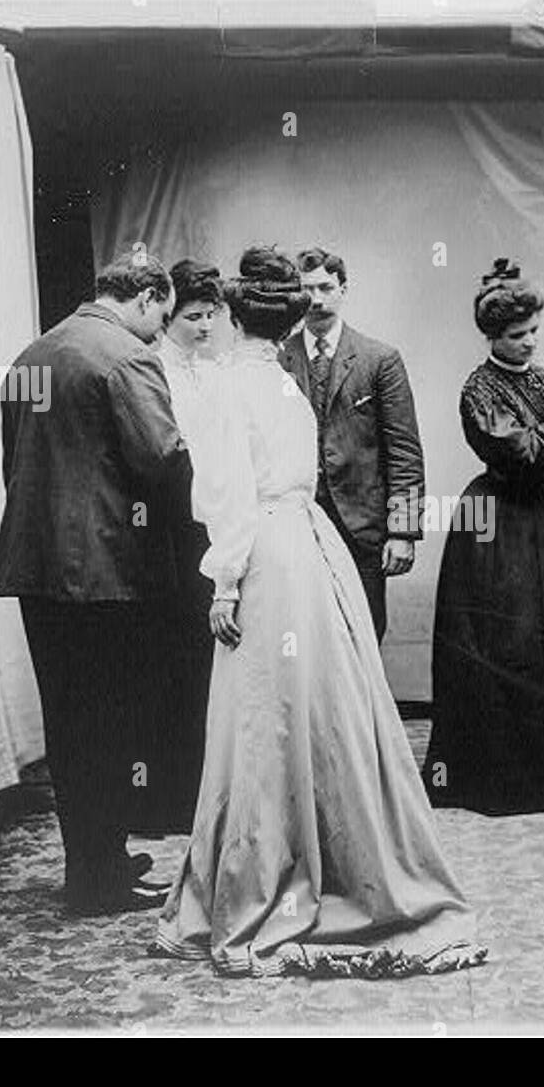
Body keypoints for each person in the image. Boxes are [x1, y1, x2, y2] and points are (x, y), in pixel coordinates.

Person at [154, 247, 486, 977]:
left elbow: (231, 499)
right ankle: (340, 861)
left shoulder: (232, 390)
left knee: (264, 718)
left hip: (269, 558)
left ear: (234, 320)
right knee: (316, 713)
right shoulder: (281, 384)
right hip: (312, 548)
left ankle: (264, 878)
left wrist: (225, 584)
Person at [0, 249, 189, 916]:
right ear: (148, 297)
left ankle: (93, 861)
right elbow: (163, 463)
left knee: (69, 724)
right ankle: (100, 878)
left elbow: (13, 464)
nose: (163, 327)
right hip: (107, 573)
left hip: (35, 569)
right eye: (164, 313)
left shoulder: (29, 356)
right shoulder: (126, 357)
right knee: (112, 721)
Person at [422, 260, 544, 816]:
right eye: (517, 335)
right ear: (493, 337)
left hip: (538, 519)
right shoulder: (477, 390)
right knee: (505, 643)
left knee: (541, 640)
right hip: (493, 525)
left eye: (533, 332)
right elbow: (523, 458)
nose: (529, 343)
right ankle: (497, 775)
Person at [277, 248, 424, 642]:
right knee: (308, 637)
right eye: (307, 290)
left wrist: (403, 531)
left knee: (364, 633)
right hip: (298, 524)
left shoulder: (380, 360)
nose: (318, 299)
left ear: (344, 289)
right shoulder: (278, 358)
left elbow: (404, 453)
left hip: (362, 527)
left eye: (326, 287)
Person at [133, 258, 223, 834]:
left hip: (208, 525)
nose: (206, 325)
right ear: (168, 317)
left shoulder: (209, 373)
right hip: (170, 531)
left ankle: (199, 791)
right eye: (193, 315)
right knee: (172, 663)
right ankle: (164, 798)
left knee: (203, 664)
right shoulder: (153, 370)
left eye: (212, 314)